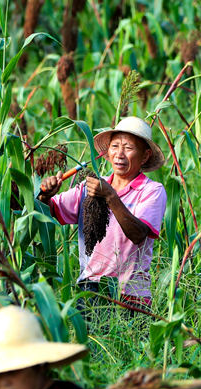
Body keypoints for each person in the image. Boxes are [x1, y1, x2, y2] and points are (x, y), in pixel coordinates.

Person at [37, 116, 167, 313]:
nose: (119, 154)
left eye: (128, 148)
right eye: (115, 146)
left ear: (145, 156)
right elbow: (47, 211)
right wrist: (45, 195)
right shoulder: (89, 187)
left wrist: (110, 196)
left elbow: (139, 233)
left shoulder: (152, 191)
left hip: (131, 296)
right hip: (91, 291)